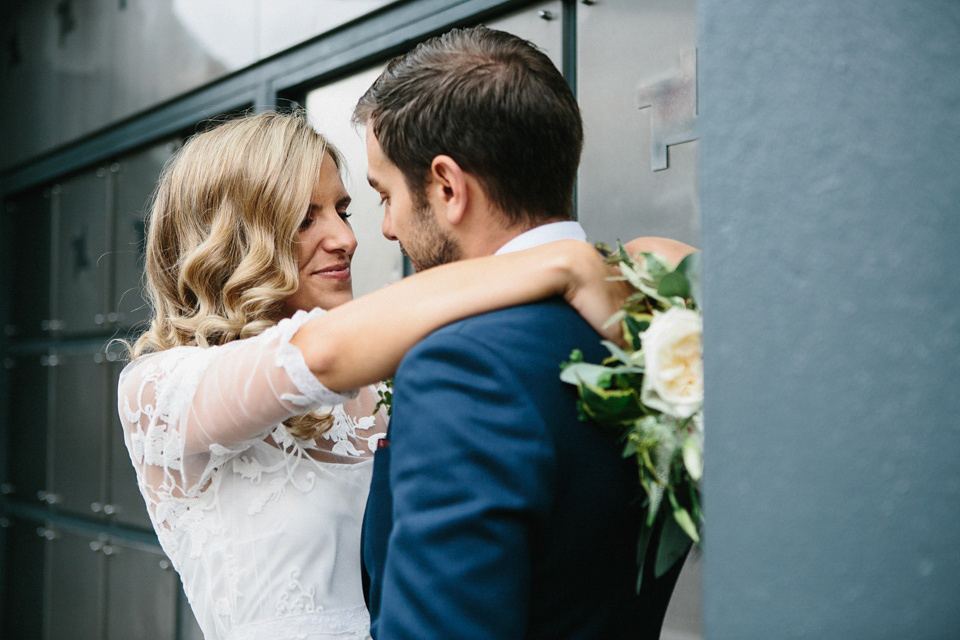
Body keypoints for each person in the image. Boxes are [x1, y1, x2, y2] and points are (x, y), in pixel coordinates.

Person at [116, 110, 632, 640]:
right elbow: (318, 357)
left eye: (342, 209)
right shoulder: (158, 392)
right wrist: (563, 264)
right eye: (304, 218)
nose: (345, 237)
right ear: (232, 237)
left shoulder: (385, 377)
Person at [354, 26, 694, 639]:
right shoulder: (662, 329)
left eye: (385, 195)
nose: (385, 228)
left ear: (448, 188)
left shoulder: (463, 366)